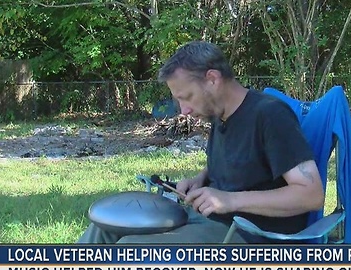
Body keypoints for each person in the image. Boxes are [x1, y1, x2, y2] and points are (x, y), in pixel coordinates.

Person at [77, 41, 324, 244]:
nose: (183, 110)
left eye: (187, 97)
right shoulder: (221, 114)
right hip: (210, 220)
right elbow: (243, 161)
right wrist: (201, 180)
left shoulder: (270, 115)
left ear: (212, 79)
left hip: (250, 236)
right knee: (104, 228)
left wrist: (229, 200)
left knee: (131, 249)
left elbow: (311, 195)